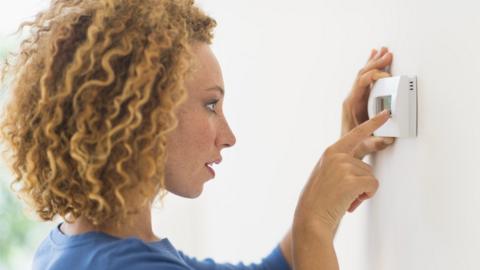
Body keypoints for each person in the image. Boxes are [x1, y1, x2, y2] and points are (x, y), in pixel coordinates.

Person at [0, 0, 394, 269]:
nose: (228, 136)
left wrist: (344, 155)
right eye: (211, 105)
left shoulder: (78, 248)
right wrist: (312, 222)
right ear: (142, 115)